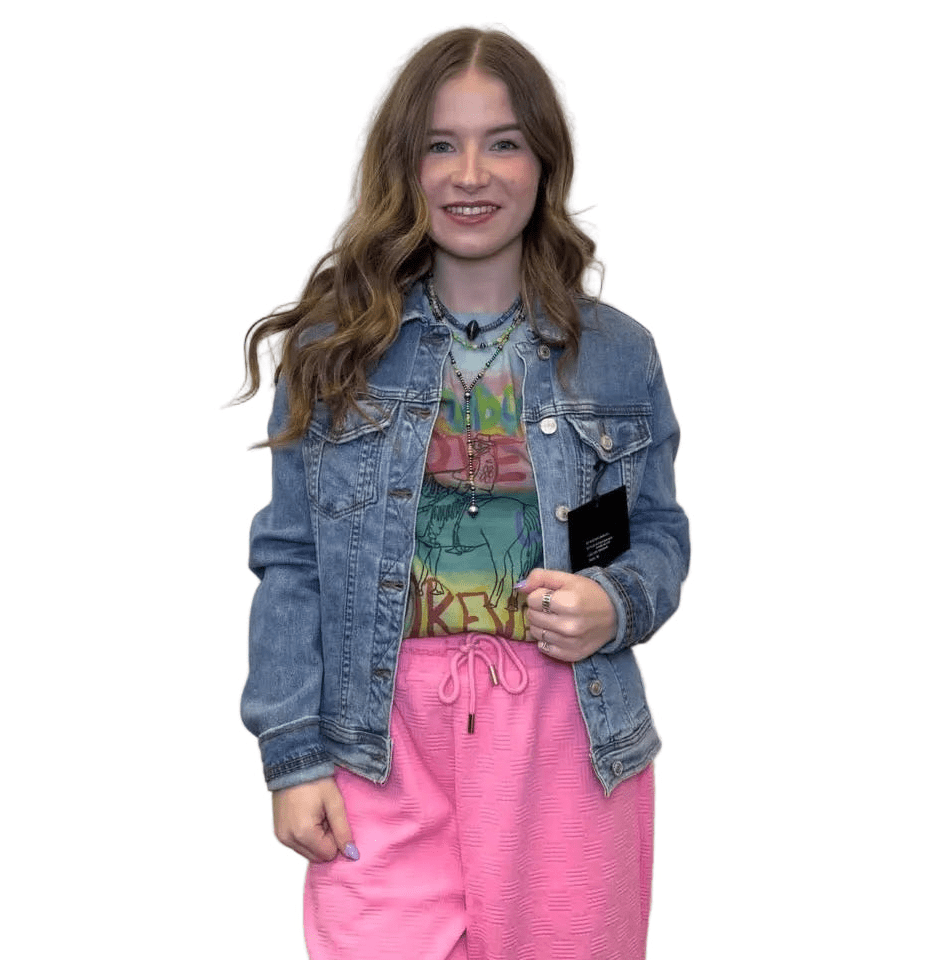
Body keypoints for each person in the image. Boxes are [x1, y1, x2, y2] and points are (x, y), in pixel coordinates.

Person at [239, 26, 689, 960]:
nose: (471, 173)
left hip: (568, 740)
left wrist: (614, 601)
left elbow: (654, 533)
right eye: (441, 144)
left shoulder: (617, 353)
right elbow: (291, 559)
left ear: (544, 163)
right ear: (403, 166)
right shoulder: (333, 351)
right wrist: (292, 754)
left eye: (504, 142)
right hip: (380, 744)